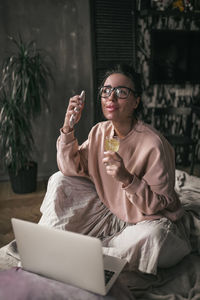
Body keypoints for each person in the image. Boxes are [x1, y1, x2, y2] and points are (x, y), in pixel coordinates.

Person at [39, 63, 191, 275]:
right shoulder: (99, 132)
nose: (111, 98)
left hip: (149, 220)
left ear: (136, 101)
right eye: (106, 91)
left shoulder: (153, 144)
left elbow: (159, 205)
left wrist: (127, 179)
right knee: (59, 180)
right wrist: (68, 128)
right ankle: (50, 242)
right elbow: (69, 168)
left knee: (155, 239)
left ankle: (89, 257)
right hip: (111, 213)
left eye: (121, 92)